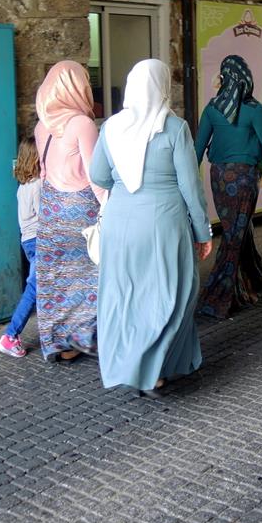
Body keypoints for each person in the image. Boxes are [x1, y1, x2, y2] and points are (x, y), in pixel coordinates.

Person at [90, 59, 213, 398]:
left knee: (125, 296)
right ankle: (154, 370)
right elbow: (190, 187)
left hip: (119, 224)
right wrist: (203, 231)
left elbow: (98, 175)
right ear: (162, 87)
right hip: (163, 224)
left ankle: (128, 364)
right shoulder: (174, 128)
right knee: (173, 294)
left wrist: (123, 184)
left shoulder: (111, 127)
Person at [195, 55, 262, 319]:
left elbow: (198, 149)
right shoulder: (255, 109)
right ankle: (218, 298)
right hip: (245, 178)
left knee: (236, 229)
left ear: (224, 79)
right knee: (235, 235)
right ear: (246, 79)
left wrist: (187, 179)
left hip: (219, 177)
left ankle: (252, 282)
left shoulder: (212, 108)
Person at [34, 61, 106, 362]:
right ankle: (87, 338)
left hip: (51, 211)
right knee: (91, 275)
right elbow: (96, 176)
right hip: (80, 209)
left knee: (57, 278)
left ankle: (60, 342)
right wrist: (110, 207)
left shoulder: (41, 125)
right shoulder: (82, 124)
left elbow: (43, 171)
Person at [0, 138, 42, 358]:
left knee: (40, 286)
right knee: (34, 287)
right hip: (39, 240)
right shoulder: (38, 185)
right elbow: (44, 216)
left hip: (28, 241)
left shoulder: (23, 186)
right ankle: (10, 335)